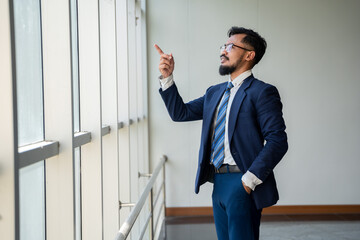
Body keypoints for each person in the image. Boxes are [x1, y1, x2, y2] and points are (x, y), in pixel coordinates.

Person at [155, 26, 288, 240]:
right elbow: (181, 113)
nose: (223, 51)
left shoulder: (262, 92)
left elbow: (278, 141)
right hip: (218, 182)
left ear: (249, 55)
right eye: (223, 46)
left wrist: (248, 181)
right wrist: (167, 78)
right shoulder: (214, 92)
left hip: (242, 180)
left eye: (230, 46)